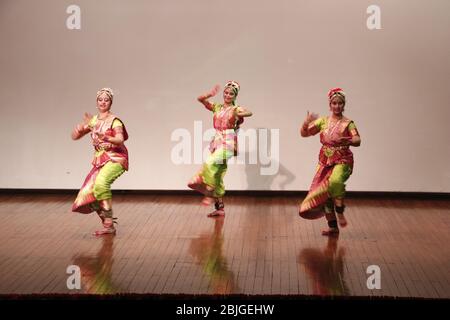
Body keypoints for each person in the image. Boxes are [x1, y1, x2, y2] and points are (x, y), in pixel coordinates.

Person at [299, 88, 361, 235]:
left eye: (340, 103)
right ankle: (333, 227)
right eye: (334, 103)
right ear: (330, 105)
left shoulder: (348, 123)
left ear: (343, 105)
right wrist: (306, 122)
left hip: (343, 159)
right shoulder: (323, 121)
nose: (337, 106)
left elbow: (358, 140)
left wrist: (350, 140)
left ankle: (340, 211)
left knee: (335, 182)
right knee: (325, 195)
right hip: (325, 161)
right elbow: (305, 134)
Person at [188, 81, 252, 217]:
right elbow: (200, 99)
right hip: (217, 141)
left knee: (210, 163)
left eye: (231, 94)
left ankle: (210, 192)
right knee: (217, 173)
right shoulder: (217, 107)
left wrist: (239, 113)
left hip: (228, 143)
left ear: (235, 96)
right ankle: (220, 208)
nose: (228, 95)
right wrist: (210, 94)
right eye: (226, 92)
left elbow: (249, 113)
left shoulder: (235, 109)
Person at [71, 88, 129, 236]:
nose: (103, 102)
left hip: (116, 158)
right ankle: (107, 224)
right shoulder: (94, 121)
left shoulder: (114, 121)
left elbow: (120, 139)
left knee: (101, 183)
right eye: (100, 99)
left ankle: (109, 223)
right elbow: (75, 136)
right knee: (87, 194)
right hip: (100, 160)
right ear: (97, 102)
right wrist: (77, 131)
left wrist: (106, 137)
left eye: (106, 99)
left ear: (111, 102)